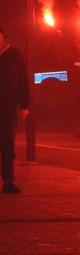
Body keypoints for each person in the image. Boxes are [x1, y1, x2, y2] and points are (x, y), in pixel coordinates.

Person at [0, 26, 29, 194]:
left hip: (8, 108)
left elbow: (23, 81)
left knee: (8, 144)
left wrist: (25, 105)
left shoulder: (14, 55)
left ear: (3, 37)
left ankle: (8, 181)